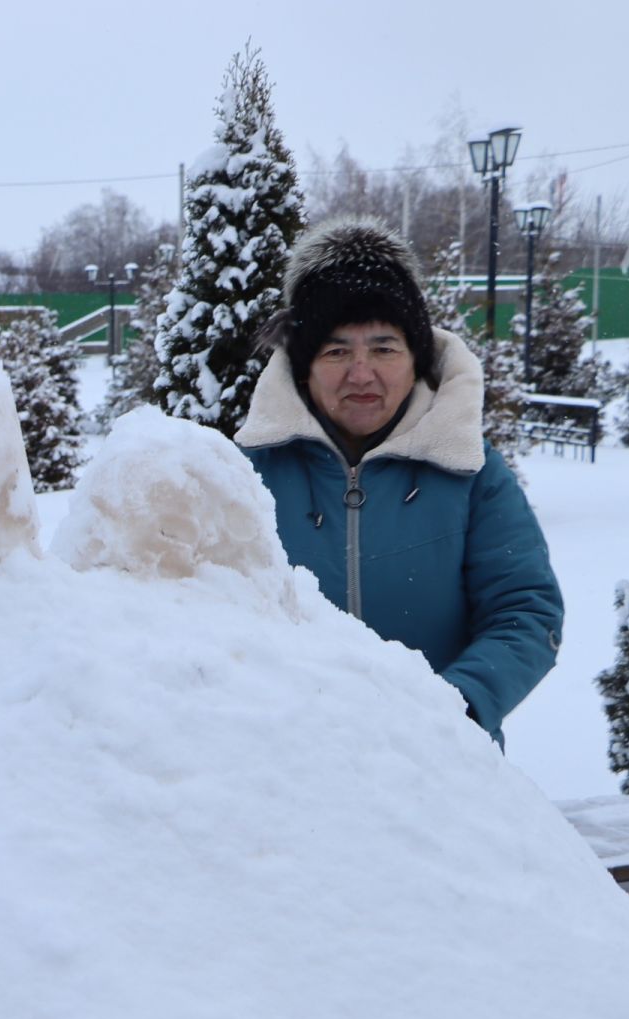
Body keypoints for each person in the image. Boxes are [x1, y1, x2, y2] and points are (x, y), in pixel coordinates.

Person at [237, 215, 563, 743]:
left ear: (417, 359)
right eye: (336, 350)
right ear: (302, 366)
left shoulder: (472, 472)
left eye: (384, 348)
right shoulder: (246, 475)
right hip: (287, 772)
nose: (361, 373)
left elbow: (525, 612)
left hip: (438, 769)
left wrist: (450, 713)